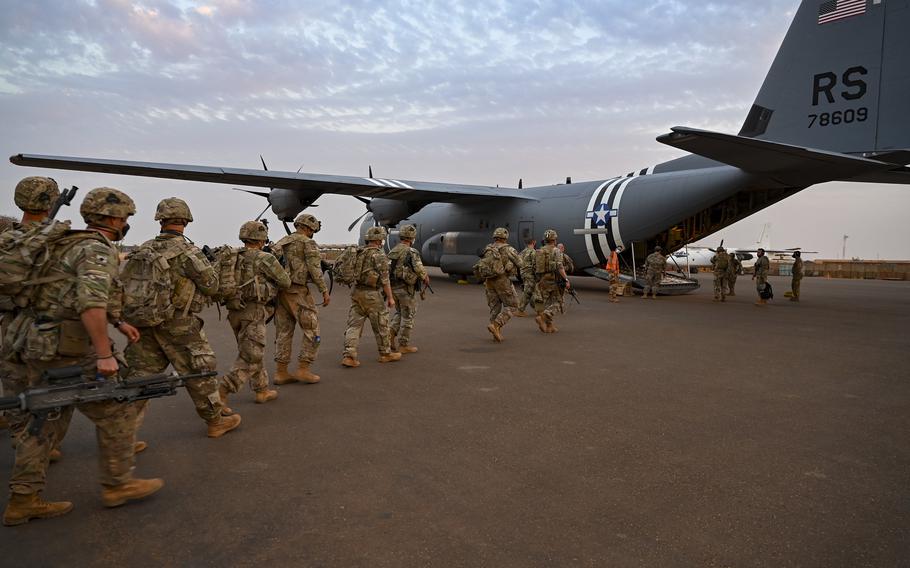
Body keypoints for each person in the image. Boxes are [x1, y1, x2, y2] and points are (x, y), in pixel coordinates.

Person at [3, 187, 162, 527]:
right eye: (126, 218)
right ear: (113, 218)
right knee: (116, 409)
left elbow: (61, 290)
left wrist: (118, 321)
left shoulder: (64, 242)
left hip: (35, 342)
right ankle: (119, 485)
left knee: (43, 419)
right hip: (68, 347)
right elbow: (90, 304)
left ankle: (22, 499)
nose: (126, 224)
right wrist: (105, 354)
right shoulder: (95, 250)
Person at [123, 198, 240, 439]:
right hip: (178, 324)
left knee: (138, 381)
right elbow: (212, 286)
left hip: (143, 322)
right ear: (186, 221)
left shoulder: (143, 248)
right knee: (199, 373)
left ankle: (122, 439)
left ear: (160, 220)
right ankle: (216, 421)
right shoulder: (188, 251)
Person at [1, 177, 67, 457]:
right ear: (51, 202)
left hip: (10, 324)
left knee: (14, 385)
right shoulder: (58, 239)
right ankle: (40, 446)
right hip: (45, 327)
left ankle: (20, 437)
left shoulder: (5, 239)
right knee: (52, 390)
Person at [218, 221, 291, 415]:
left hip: (234, 311)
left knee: (250, 349)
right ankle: (221, 392)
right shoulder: (265, 258)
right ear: (261, 239)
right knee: (251, 356)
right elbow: (285, 281)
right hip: (254, 311)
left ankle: (261, 390)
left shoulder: (232, 257)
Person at [271, 213, 331, 384]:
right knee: (312, 330)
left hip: (281, 292)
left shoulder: (283, 241)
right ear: (308, 228)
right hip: (298, 292)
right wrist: (324, 291)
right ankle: (303, 369)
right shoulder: (308, 243)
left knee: (284, 332)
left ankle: (280, 372)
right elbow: (315, 269)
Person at [341, 226, 400, 366]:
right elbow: (385, 280)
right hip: (372, 294)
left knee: (354, 326)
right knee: (381, 325)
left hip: (357, 293)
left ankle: (349, 356)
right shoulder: (379, 255)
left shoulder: (359, 252)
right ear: (380, 240)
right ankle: (385, 354)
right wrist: (390, 298)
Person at [387, 224, 430, 353]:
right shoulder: (411, 251)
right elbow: (418, 268)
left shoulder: (393, 250)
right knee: (408, 315)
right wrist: (425, 278)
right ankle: (403, 344)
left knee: (400, 312)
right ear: (412, 238)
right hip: (405, 289)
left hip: (393, 287)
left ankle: (390, 334)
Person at [477, 227, 523, 342]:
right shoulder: (508, 249)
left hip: (489, 281)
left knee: (494, 308)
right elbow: (520, 263)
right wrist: (511, 264)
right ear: (505, 237)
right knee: (513, 306)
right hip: (502, 281)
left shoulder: (488, 249)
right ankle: (496, 325)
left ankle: (495, 333)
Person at [533, 229, 570, 333]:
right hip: (554, 280)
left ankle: (550, 326)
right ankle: (543, 318)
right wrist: (566, 279)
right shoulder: (556, 250)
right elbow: (560, 266)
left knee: (548, 303)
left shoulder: (539, 250)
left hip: (542, 280)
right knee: (558, 302)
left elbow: (535, 267)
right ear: (554, 240)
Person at [515, 238, 537, 316]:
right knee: (528, 292)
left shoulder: (522, 252)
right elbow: (535, 265)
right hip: (530, 274)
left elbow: (518, 262)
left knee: (531, 291)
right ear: (534, 242)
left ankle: (538, 309)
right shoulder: (533, 252)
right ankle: (520, 310)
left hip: (523, 274)